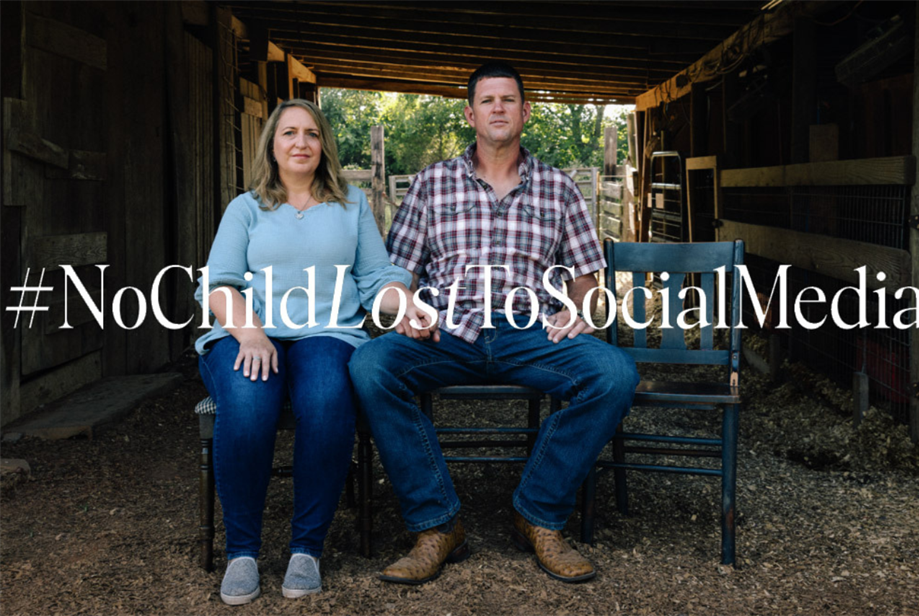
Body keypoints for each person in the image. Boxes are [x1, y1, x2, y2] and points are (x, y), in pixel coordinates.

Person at [349, 62, 640, 585]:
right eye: (488, 100)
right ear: (470, 113)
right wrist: (407, 306)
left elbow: (587, 276)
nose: (499, 108)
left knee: (615, 373)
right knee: (370, 366)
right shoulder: (431, 184)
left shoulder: (558, 188)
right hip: (446, 331)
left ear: (525, 112)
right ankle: (437, 525)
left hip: (529, 331)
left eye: (509, 100)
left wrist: (577, 307)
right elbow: (398, 274)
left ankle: (538, 514)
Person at [195, 99, 416, 605]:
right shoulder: (246, 208)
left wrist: (401, 305)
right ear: (272, 145)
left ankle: (306, 548)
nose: (301, 143)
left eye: (311, 134)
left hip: (326, 332)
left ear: (324, 146)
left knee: (325, 398)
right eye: (289, 133)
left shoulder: (352, 204)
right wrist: (251, 335)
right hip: (248, 331)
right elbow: (219, 284)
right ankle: (242, 552)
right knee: (249, 405)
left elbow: (377, 278)